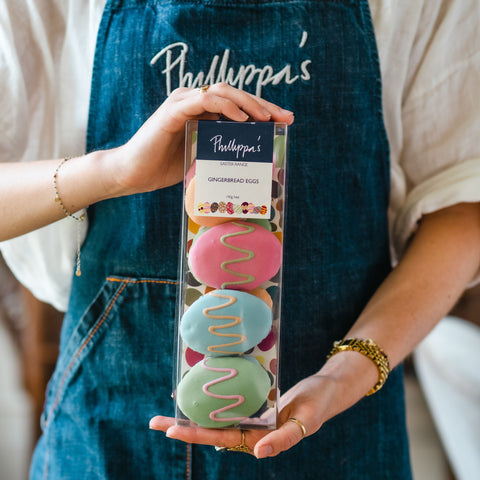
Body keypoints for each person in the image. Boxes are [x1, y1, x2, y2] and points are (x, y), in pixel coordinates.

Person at [1, 0, 479, 478]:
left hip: (339, 414)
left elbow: (463, 205)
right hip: (110, 426)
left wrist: (346, 373)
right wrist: (112, 171)